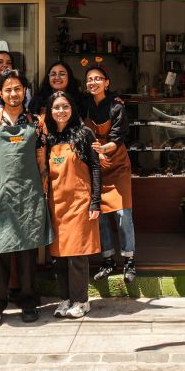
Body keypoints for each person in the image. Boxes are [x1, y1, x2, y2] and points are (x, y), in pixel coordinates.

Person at [0, 70, 52, 328]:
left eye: (18, 88)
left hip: (27, 195)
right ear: (0, 93)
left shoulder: (35, 122)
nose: (13, 93)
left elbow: (41, 155)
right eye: (8, 89)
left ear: (25, 91)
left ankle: (28, 302)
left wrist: (44, 183)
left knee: (28, 251)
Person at [40, 90, 102, 319]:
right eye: (56, 107)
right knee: (59, 256)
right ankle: (65, 298)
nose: (61, 111)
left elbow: (96, 167)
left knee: (77, 255)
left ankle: (81, 301)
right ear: (50, 111)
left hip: (79, 202)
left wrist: (95, 201)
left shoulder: (85, 134)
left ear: (72, 109)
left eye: (65, 106)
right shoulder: (48, 138)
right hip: (55, 203)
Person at [84, 66, 137, 284]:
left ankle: (129, 260)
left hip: (117, 163)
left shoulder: (117, 106)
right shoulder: (84, 105)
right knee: (101, 215)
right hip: (96, 163)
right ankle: (107, 260)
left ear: (107, 83)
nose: (93, 82)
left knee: (123, 214)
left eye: (98, 79)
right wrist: (96, 155)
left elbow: (119, 136)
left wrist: (104, 151)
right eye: (89, 79)